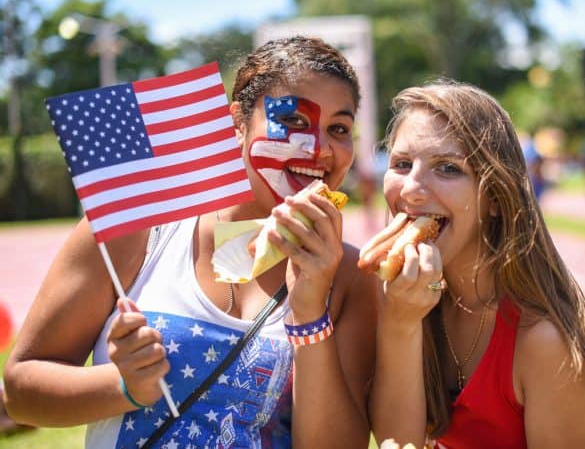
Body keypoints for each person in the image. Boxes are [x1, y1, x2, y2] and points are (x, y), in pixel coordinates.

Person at [2, 36, 378, 448]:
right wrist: (122, 387)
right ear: (237, 122)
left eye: (338, 129)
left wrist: (310, 315)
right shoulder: (134, 230)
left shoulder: (350, 277)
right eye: (294, 122)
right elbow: (22, 391)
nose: (319, 149)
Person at [369, 80, 585, 448]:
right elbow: (398, 440)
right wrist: (400, 323)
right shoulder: (405, 299)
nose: (410, 188)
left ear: (494, 197)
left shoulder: (546, 343)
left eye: (447, 168)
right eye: (402, 164)